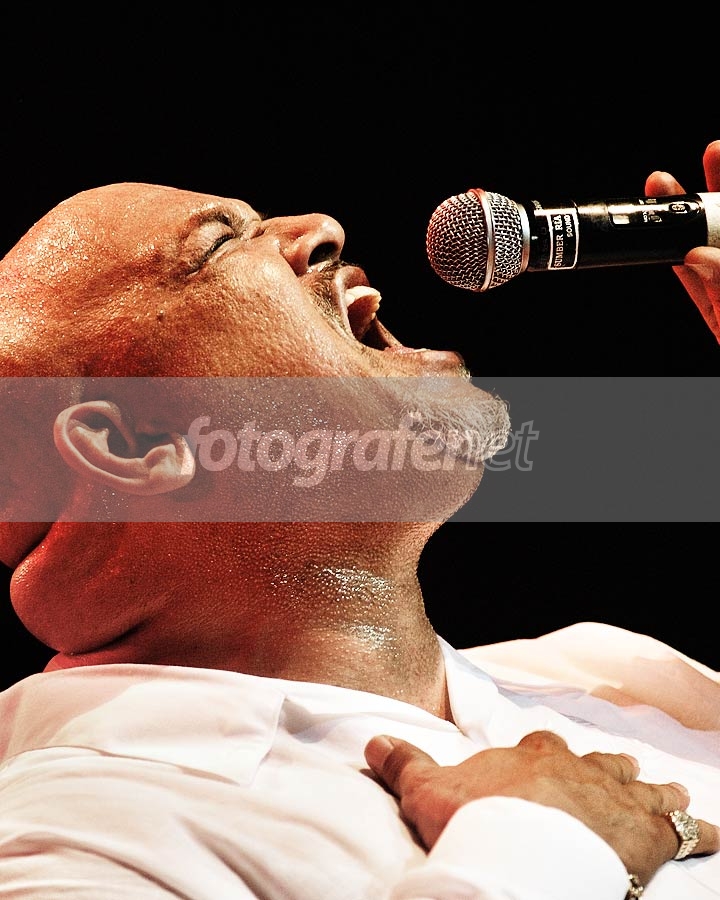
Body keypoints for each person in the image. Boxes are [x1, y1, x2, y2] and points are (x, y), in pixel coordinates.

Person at [0, 143, 719, 900]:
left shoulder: (609, 674)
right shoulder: (74, 835)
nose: (320, 228)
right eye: (217, 246)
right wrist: (542, 848)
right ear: (132, 445)